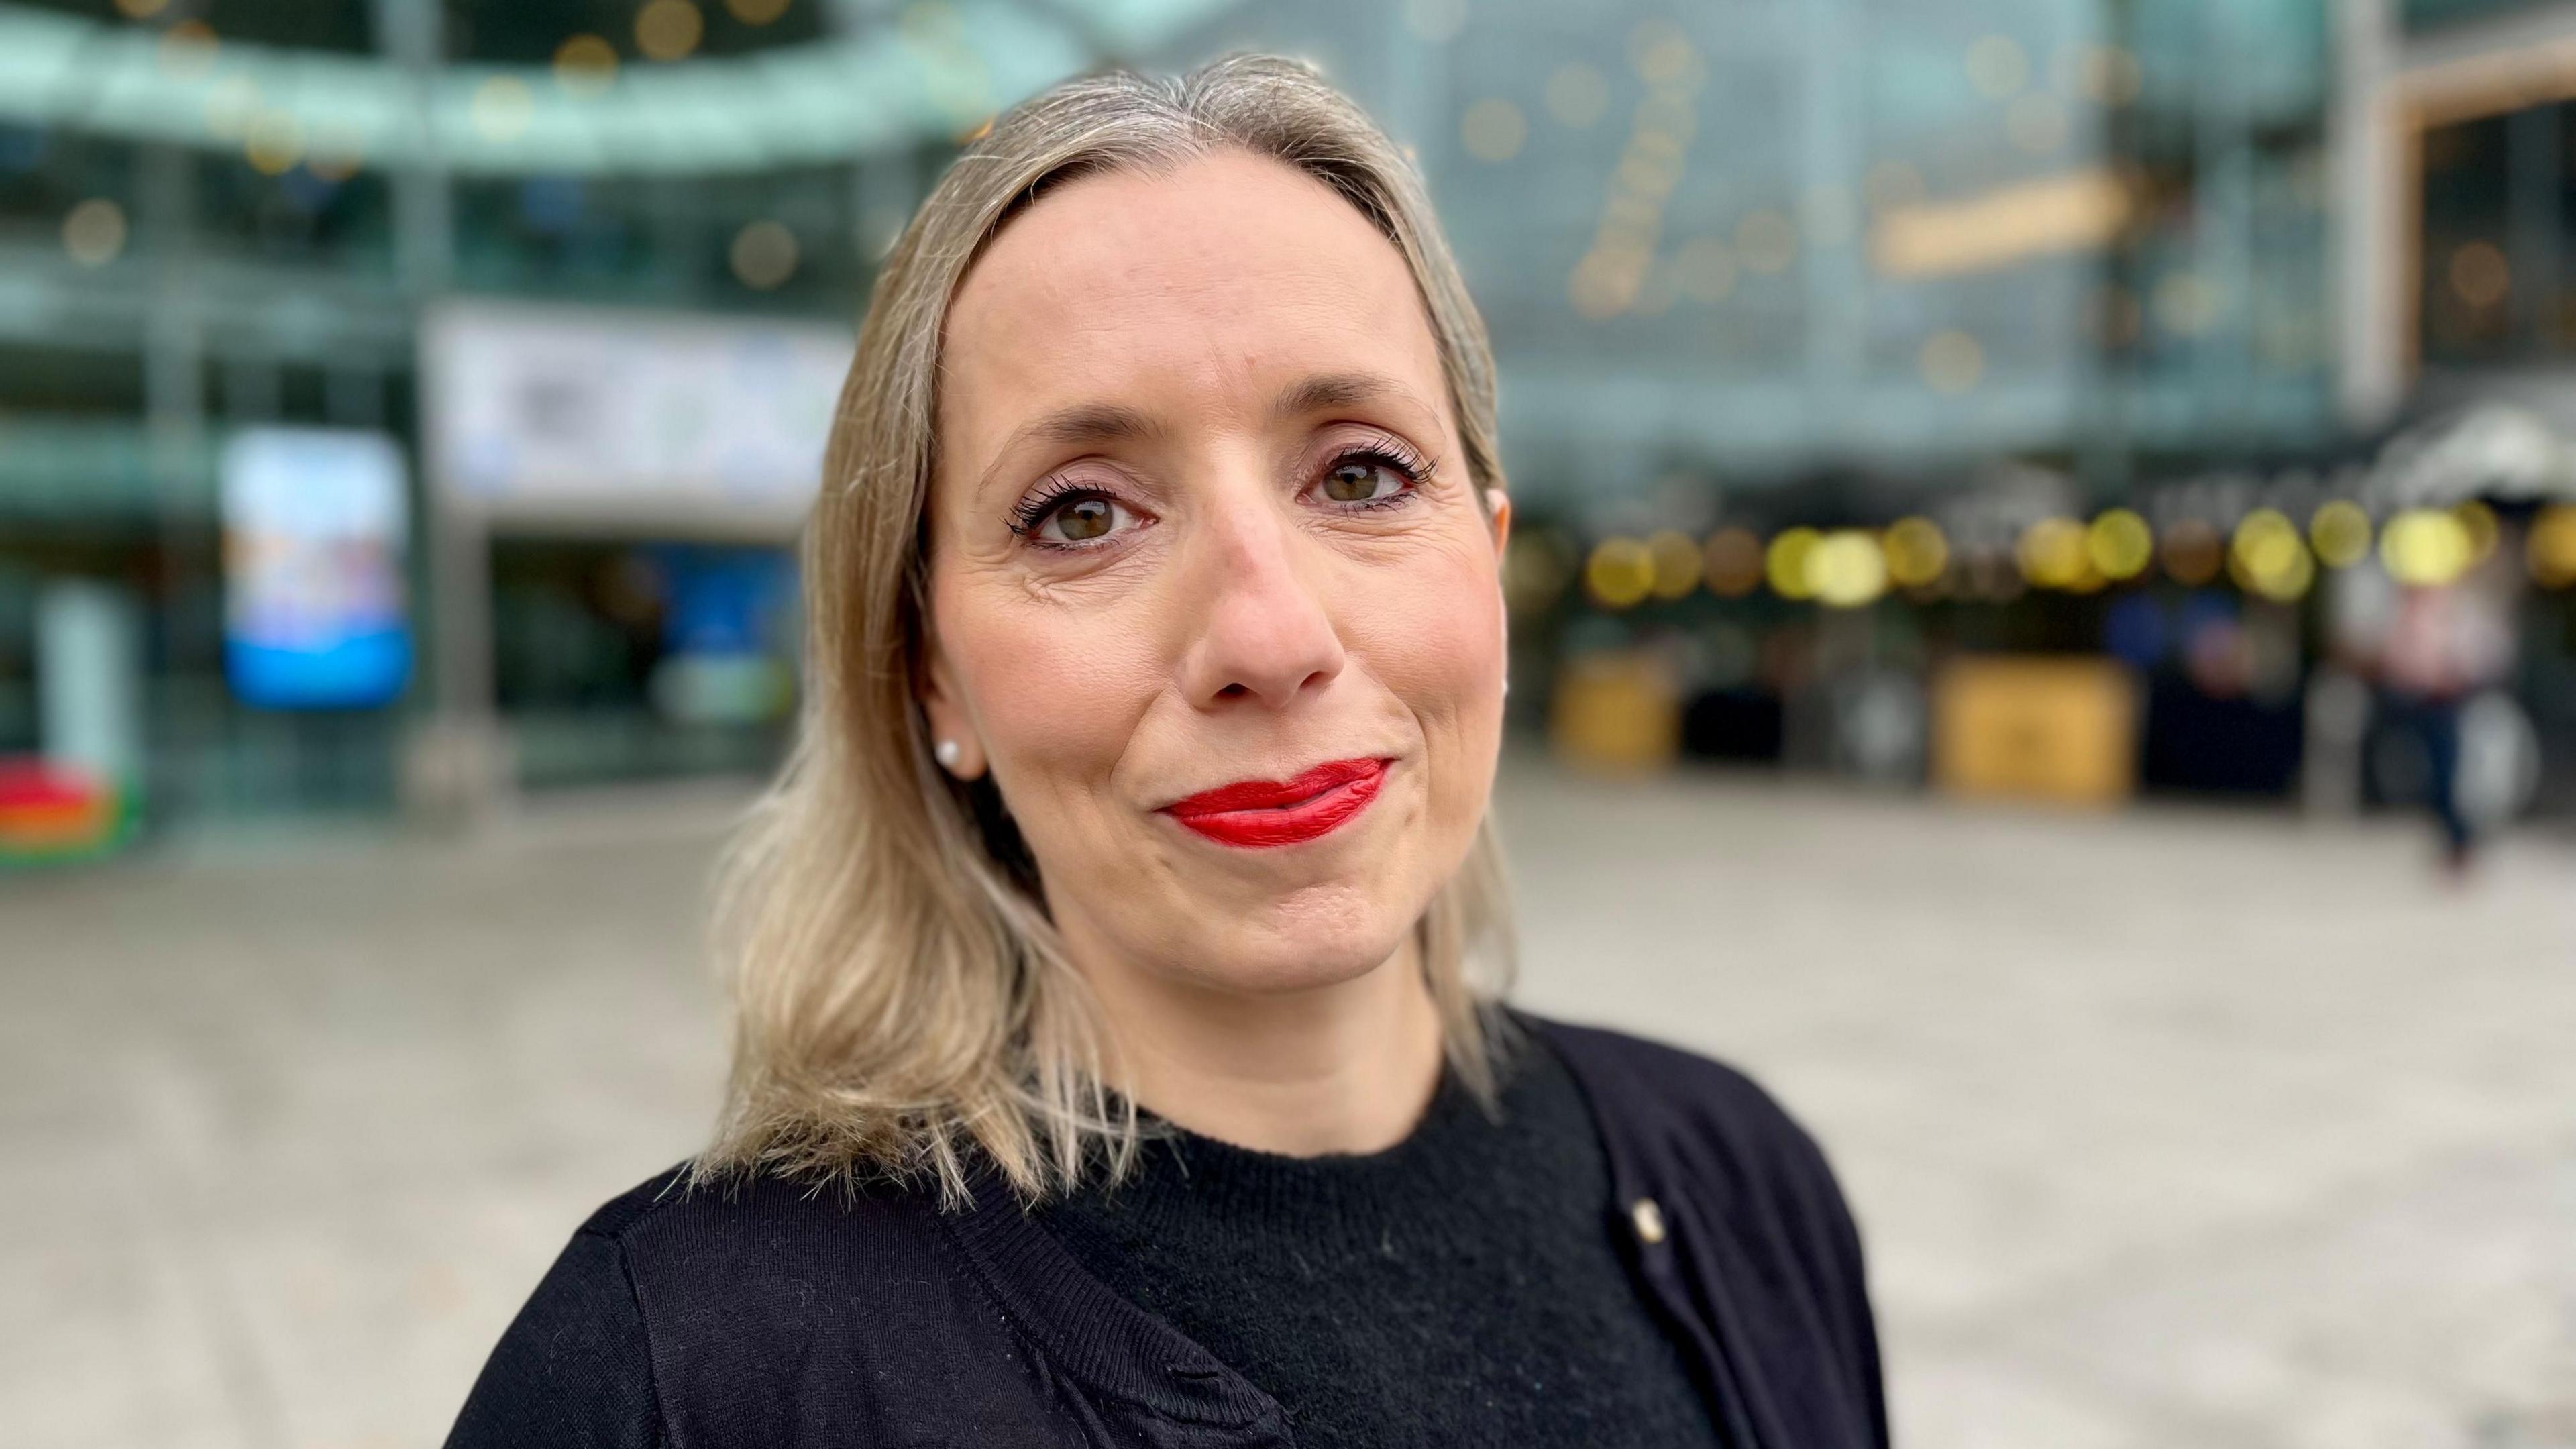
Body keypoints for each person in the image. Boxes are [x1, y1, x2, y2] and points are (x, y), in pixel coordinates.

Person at [446, 55, 1885, 1449]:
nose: (1268, 633)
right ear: (928, 671)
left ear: (1488, 569)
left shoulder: (1738, 1179)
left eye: (1363, 472)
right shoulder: (683, 1378)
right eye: (1082, 514)